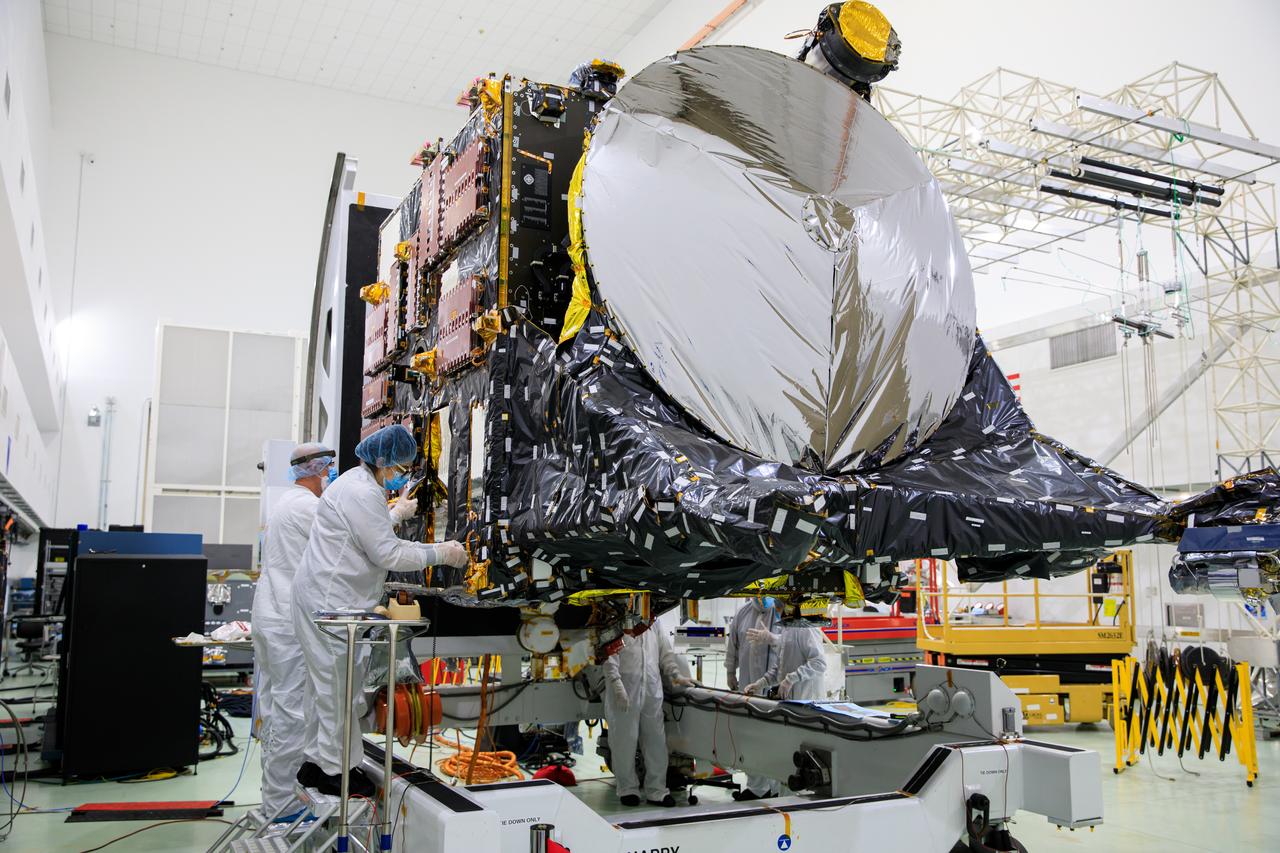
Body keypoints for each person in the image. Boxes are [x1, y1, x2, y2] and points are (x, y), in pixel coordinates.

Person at [292, 424, 468, 797]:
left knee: (323, 687)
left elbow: (359, 533)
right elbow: (387, 553)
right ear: (385, 462)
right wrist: (441, 551)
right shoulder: (362, 492)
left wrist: (396, 514)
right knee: (339, 688)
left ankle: (314, 762)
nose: (402, 475)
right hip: (332, 603)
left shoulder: (355, 484)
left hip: (322, 597)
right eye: (401, 468)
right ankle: (337, 773)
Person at [251, 442, 334, 819]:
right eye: (328, 469)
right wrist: (393, 515)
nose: (329, 476)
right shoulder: (307, 507)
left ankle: (274, 799)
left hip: (269, 615)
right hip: (288, 623)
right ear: (318, 470)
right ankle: (283, 809)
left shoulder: (285, 503)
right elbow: (347, 541)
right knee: (291, 714)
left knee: (274, 708)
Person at [603, 625, 693, 807]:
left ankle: (657, 790)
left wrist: (676, 675)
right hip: (625, 687)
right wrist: (615, 682)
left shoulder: (655, 622)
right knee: (624, 742)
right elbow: (608, 652)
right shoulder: (619, 619)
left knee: (656, 742)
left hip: (651, 687)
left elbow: (665, 653)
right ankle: (627, 789)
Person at [724, 596, 783, 800]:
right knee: (749, 737)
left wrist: (771, 639)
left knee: (774, 738)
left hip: (774, 688)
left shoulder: (781, 611)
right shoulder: (743, 613)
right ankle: (757, 787)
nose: (761, 597)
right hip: (747, 686)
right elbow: (733, 644)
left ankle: (775, 787)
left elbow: (790, 646)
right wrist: (730, 672)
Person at [746, 622, 829, 701]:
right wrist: (759, 684)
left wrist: (790, 679)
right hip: (792, 702)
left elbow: (819, 663)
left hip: (809, 701)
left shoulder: (806, 627)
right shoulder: (786, 629)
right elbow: (780, 668)